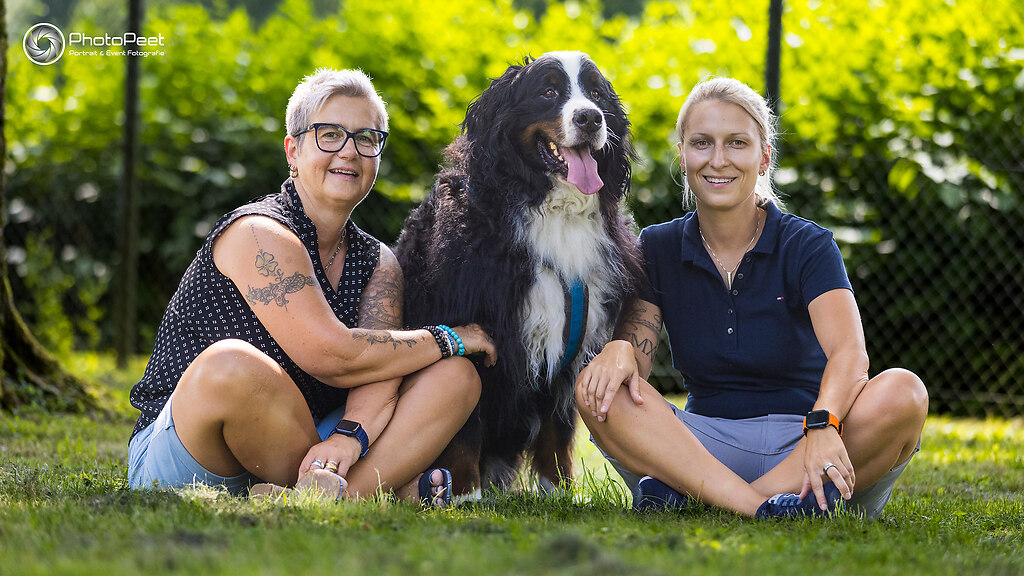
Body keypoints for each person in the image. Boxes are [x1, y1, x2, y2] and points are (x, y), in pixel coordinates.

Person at [127, 68, 496, 505]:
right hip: (194, 453)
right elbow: (332, 354)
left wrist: (350, 438)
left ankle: (329, 497)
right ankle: (378, 493)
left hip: (314, 449)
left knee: (455, 376)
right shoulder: (259, 233)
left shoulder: (379, 261)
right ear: (293, 150)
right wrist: (452, 337)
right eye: (329, 134)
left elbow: (379, 374)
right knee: (232, 365)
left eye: (367, 138)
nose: (349, 151)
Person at [575, 77, 928, 519]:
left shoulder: (807, 245)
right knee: (597, 389)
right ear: (682, 156)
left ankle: (700, 499)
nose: (718, 160)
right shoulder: (657, 247)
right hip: (704, 447)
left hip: (809, 443)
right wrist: (620, 349)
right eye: (702, 143)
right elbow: (636, 364)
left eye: (737, 143)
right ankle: (769, 508)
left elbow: (850, 355)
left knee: (905, 391)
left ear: (763, 159)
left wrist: (823, 425)